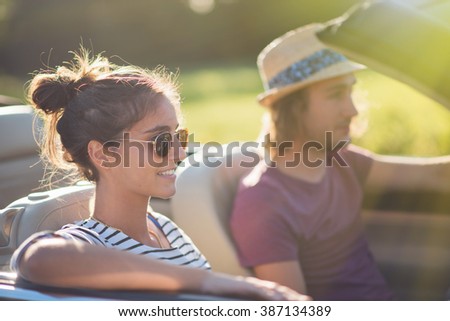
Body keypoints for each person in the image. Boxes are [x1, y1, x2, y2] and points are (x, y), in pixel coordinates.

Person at [10, 48, 310, 301]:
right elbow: (36, 258)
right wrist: (209, 282)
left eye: (180, 138)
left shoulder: (164, 229)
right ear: (102, 154)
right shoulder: (90, 240)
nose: (179, 154)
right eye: (161, 141)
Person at [229, 23, 450, 300]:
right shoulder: (262, 203)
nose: (352, 109)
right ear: (292, 107)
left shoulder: (341, 162)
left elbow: (438, 175)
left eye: (350, 92)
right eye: (335, 95)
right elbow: (294, 309)